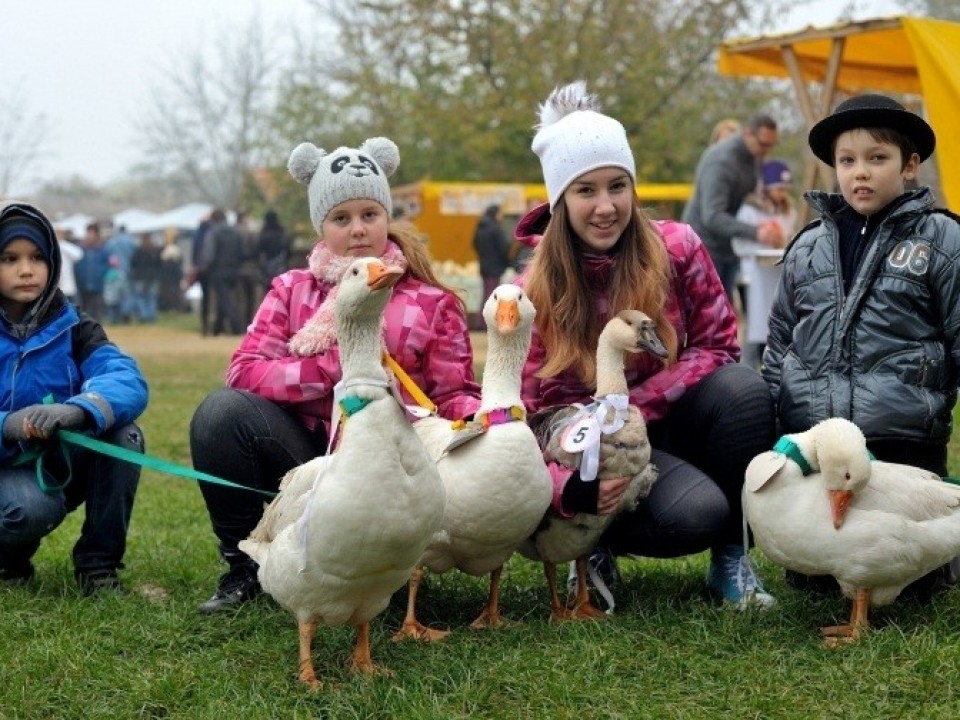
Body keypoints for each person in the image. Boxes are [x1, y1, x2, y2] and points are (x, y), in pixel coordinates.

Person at [189, 136, 481, 613]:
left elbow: (453, 393)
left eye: (370, 214)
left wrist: (486, 423)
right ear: (321, 226)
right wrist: (333, 369)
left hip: (392, 470)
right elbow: (243, 372)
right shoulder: (289, 291)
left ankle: (393, 570)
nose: (358, 229)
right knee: (221, 414)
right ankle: (247, 569)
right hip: (306, 455)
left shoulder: (432, 303)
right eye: (341, 218)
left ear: (387, 217)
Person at [515, 81, 777, 610]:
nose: (606, 206)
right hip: (600, 453)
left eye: (618, 186)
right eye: (586, 190)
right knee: (696, 514)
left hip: (672, 418)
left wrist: (634, 406)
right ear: (560, 199)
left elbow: (719, 346)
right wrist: (582, 471)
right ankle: (593, 547)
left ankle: (732, 557)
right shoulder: (534, 290)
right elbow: (538, 407)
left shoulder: (677, 247)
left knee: (744, 391)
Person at [764, 93, 960, 599]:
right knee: (816, 583)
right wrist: (773, 418)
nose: (860, 173)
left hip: (901, 440)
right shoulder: (807, 247)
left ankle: (936, 555)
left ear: (910, 164)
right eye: (848, 161)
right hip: (819, 445)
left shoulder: (940, 239)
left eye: (878, 158)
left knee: (908, 582)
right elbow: (781, 340)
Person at [0, 202, 148, 593]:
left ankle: (98, 567)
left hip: (58, 460)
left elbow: (125, 377)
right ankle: (8, 560)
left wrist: (78, 409)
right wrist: (9, 425)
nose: (26, 269)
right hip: (7, 470)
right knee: (28, 509)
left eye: (37, 257)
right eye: (9, 259)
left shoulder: (74, 325)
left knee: (123, 436)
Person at [682, 113, 783, 301]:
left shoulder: (753, 155)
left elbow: (745, 195)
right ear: (747, 134)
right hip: (704, 248)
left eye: (771, 145)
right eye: (763, 144)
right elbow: (712, 216)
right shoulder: (721, 162)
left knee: (726, 313)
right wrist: (756, 233)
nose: (767, 151)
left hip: (728, 246)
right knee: (709, 314)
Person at [732, 159, 797, 368]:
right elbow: (739, 245)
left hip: (776, 275)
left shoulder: (788, 210)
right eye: (778, 188)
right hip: (752, 276)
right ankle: (748, 368)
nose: (782, 193)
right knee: (754, 326)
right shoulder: (749, 211)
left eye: (785, 188)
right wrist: (762, 243)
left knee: (776, 324)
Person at [202, 209, 246, 335]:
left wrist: (207, 268)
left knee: (225, 300)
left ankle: (236, 326)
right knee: (225, 298)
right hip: (234, 270)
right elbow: (242, 252)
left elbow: (209, 255)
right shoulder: (235, 232)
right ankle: (218, 328)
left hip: (218, 270)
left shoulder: (213, 233)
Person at [473, 204, 511, 305]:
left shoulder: (480, 228)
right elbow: (503, 248)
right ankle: (488, 320)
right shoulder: (495, 229)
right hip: (494, 267)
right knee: (492, 296)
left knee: (486, 295)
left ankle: (481, 320)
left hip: (484, 266)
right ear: (496, 214)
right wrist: (506, 263)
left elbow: (474, 244)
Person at [129, 232, 162, 323]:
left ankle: (144, 315)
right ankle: (151, 316)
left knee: (141, 297)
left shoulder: (138, 250)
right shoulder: (155, 250)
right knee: (151, 297)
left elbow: (133, 263)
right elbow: (159, 264)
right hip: (152, 277)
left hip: (140, 277)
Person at [256, 209, 290, 286]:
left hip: (267, 267)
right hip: (281, 266)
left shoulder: (264, 234)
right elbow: (288, 250)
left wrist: (261, 266)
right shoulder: (281, 233)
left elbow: (258, 252)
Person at [56, 227, 84, 304]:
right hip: (56, 286)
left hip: (68, 286)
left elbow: (79, 254)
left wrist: (62, 243)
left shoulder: (65, 247)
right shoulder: (52, 246)